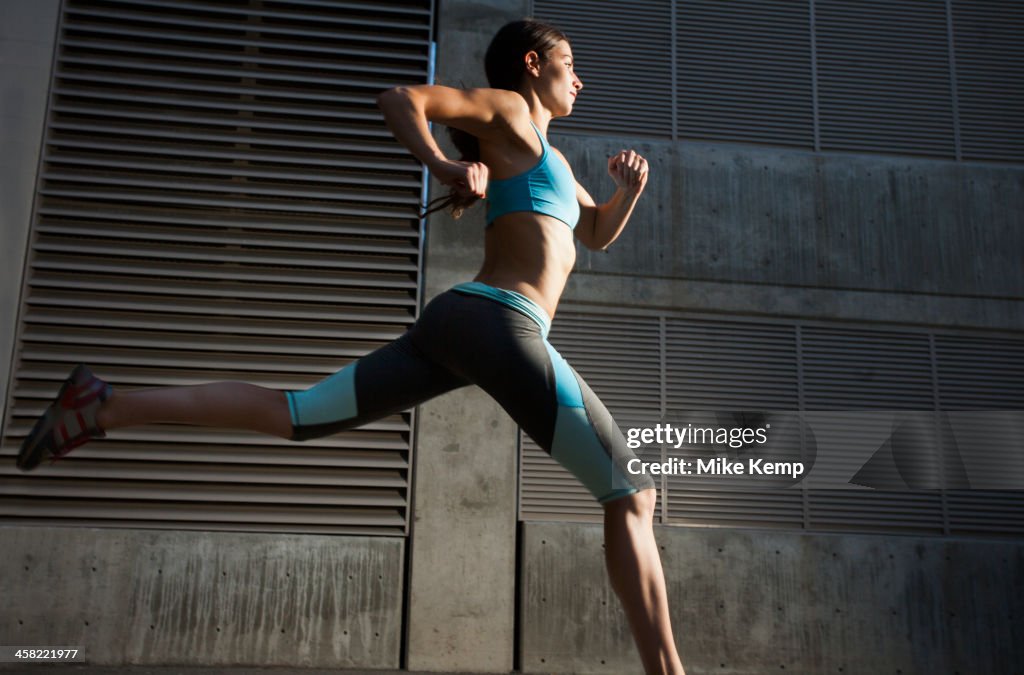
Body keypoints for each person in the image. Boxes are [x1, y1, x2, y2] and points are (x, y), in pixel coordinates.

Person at [16, 18, 686, 675]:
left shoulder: (557, 161)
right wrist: (446, 163)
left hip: (458, 325)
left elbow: (594, 232)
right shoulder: (509, 111)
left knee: (299, 414)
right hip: (498, 320)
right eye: (571, 64)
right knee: (631, 491)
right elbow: (401, 99)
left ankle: (99, 405)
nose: (582, 79)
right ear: (534, 66)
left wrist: (628, 192)